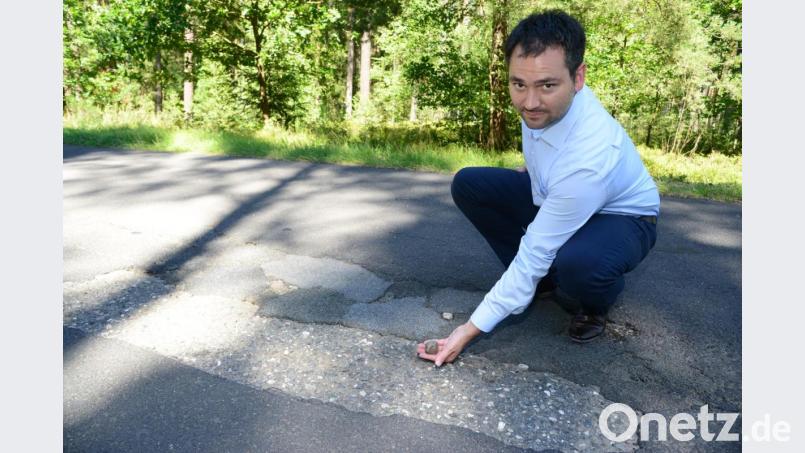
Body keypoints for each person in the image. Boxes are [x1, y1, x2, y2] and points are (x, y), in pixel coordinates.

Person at [417, 10, 659, 366]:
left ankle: (594, 304)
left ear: (578, 78)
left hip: (625, 216)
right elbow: (544, 145)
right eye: (519, 85)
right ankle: (544, 284)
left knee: (578, 263)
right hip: (561, 194)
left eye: (547, 86)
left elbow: (535, 250)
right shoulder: (543, 100)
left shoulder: (589, 159)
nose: (529, 103)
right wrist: (531, 169)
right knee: (470, 184)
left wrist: (466, 331)